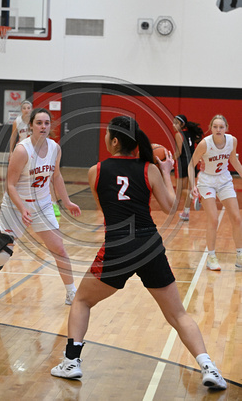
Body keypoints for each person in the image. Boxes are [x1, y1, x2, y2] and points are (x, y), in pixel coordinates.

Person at [51, 115, 227, 390]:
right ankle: (209, 367)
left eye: (108, 136)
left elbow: (105, 211)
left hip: (117, 246)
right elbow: (171, 209)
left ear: (116, 140)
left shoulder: (95, 171)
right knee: (178, 314)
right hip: (148, 246)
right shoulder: (149, 169)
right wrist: (166, 171)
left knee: (82, 301)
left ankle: (71, 362)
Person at [0, 108, 81, 304]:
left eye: (47, 123)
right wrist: (23, 209)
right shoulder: (22, 150)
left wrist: (67, 201)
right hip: (15, 207)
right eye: (39, 123)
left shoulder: (55, 148)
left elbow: (56, 176)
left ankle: (71, 292)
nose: (43, 126)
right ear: (30, 125)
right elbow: (10, 185)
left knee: (59, 249)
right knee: (3, 255)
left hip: (42, 206)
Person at [188, 114, 242, 271]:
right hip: (207, 182)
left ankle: (239, 255)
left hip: (224, 179)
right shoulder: (205, 144)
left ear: (226, 128)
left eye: (221, 127)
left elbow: (234, 160)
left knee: (237, 218)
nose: (218, 129)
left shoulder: (232, 141)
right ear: (210, 128)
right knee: (213, 219)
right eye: (215, 127)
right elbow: (191, 165)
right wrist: (193, 186)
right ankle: (211, 257)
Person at [172, 114, 203, 221]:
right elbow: (198, 142)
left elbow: (179, 152)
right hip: (192, 163)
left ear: (182, 124)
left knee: (180, 191)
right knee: (188, 189)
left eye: (176, 123)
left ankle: (195, 196)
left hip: (182, 163)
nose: (173, 125)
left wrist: (169, 159)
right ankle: (186, 213)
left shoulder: (178, 134)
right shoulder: (191, 133)